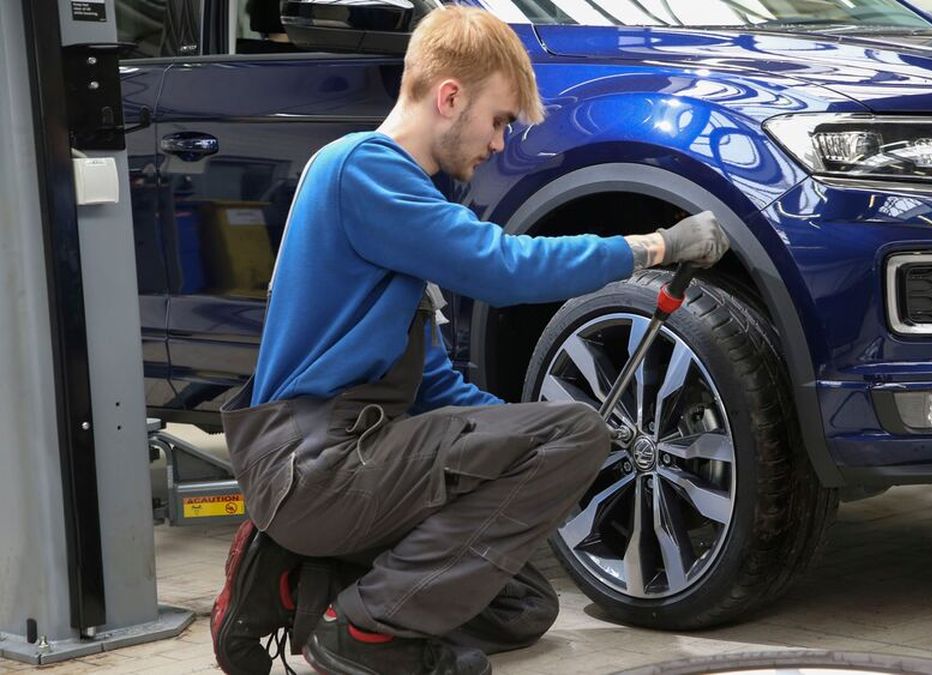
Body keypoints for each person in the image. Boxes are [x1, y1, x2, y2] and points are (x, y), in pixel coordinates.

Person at [209, 6, 730, 675]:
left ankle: (294, 582)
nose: (499, 142)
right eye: (499, 119)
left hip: (348, 461)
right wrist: (653, 246)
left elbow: (431, 386)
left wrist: (529, 447)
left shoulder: (402, 200)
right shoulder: (363, 168)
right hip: (315, 463)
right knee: (573, 432)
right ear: (450, 97)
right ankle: (364, 633)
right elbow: (502, 267)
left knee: (521, 607)